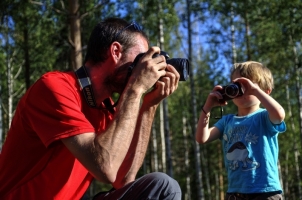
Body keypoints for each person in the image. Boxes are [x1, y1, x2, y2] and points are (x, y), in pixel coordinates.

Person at [0, 17, 182, 200]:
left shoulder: (107, 110)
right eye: (141, 59)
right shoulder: (55, 87)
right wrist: (136, 88)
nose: (145, 67)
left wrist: (149, 106)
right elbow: (105, 167)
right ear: (116, 51)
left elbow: (123, 181)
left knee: (162, 187)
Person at [195, 61, 286, 200]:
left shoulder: (264, 117)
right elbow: (202, 138)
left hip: (265, 190)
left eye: (248, 85)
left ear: (266, 91)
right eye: (236, 85)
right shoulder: (227, 121)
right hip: (235, 192)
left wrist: (255, 90)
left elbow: (279, 114)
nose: (242, 90)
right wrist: (208, 107)